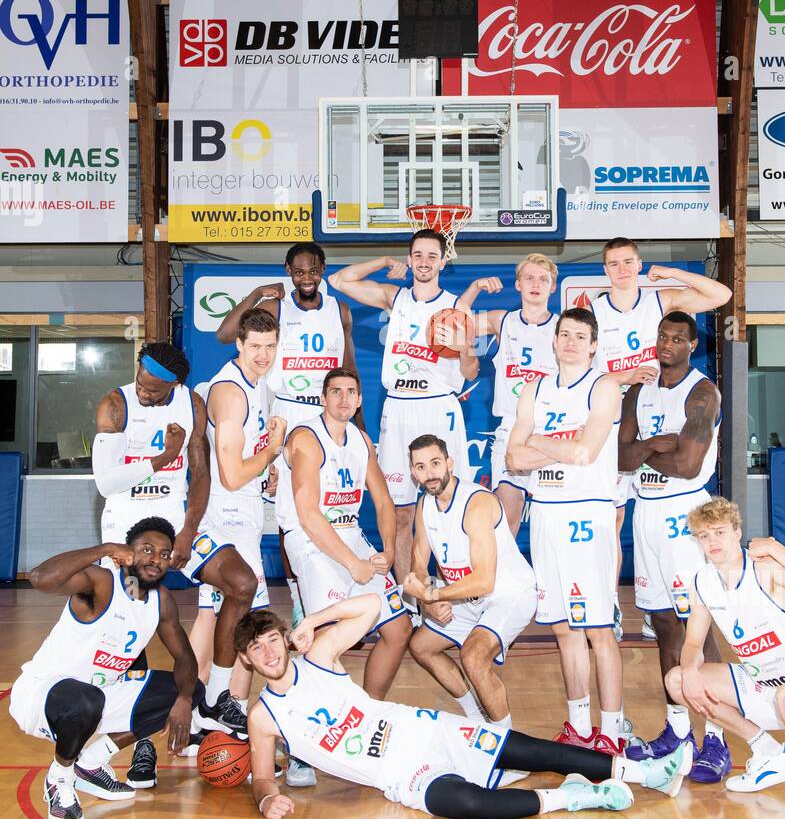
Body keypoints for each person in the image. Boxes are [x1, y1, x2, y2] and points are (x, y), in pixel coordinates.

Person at [238, 601, 694, 819]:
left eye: (272, 640)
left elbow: (371, 606)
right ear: (248, 660)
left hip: (424, 730)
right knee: (467, 806)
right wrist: (264, 799)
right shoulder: (262, 717)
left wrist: (312, 621)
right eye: (256, 649)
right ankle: (578, 798)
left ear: (283, 638)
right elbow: (262, 776)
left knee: (537, 752)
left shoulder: (318, 657)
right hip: (401, 773)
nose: (268, 652)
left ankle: (645, 773)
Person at [667, 498, 785, 815]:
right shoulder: (702, 583)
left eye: (719, 532)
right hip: (763, 686)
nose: (712, 542)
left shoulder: (766, 571)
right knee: (677, 680)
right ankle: (768, 753)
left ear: (736, 532)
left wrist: (777, 548)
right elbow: (693, 644)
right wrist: (689, 672)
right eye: (704, 535)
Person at [10, 519, 202, 819]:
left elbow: (185, 658)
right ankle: (59, 779)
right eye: (147, 549)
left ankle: (91, 764)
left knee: (183, 688)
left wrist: (185, 699)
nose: (156, 559)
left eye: (165, 554)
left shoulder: (160, 601)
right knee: (88, 698)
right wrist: (104, 549)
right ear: (126, 552)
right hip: (41, 695)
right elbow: (40, 577)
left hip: (100, 697)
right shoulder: (101, 582)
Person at [590, 237, 732, 635]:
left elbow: (721, 294)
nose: (621, 269)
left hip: (655, 412)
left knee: (667, 513)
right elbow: (581, 370)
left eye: (628, 262)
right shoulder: (594, 311)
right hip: (615, 420)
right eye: (614, 263)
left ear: (638, 265)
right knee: (613, 523)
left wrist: (671, 273)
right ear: (605, 270)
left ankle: (668, 606)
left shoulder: (661, 301)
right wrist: (623, 378)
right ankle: (613, 605)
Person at [214, 243, 361, 606]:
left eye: (313, 270)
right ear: (288, 271)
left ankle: (333, 586)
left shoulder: (339, 310)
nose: (306, 278)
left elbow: (349, 367)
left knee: (330, 503)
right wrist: (254, 294)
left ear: (324, 269)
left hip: (328, 414)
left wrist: (358, 421)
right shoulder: (275, 307)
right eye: (298, 271)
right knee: (289, 511)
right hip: (289, 411)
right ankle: (298, 598)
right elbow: (224, 334)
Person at [329, 230, 479, 584]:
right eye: (417, 255)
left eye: (431, 256)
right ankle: (410, 595)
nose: (424, 262)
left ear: (444, 261)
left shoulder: (458, 307)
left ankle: (453, 589)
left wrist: (463, 348)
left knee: (449, 505)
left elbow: (470, 372)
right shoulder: (394, 298)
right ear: (410, 260)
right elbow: (338, 279)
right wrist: (382, 262)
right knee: (400, 512)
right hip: (399, 407)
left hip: (439, 407)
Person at [507, 308, 626, 754]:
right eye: (564, 335)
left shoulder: (604, 386)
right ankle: (579, 726)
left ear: (594, 345)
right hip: (546, 513)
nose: (571, 342)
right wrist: (551, 447)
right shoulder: (533, 389)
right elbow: (511, 460)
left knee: (597, 629)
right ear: (553, 342)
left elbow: (585, 452)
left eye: (581, 335)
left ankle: (612, 731)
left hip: (586, 514)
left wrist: (536, 441)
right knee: (562, 628)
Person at [618, 313, 730, 780]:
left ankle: (719, 738)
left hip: (686, 516)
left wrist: (645, 449)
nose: (667, 344)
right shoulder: (638, 391)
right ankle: (678, 731)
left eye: (678, 339)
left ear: (691, 346)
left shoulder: (703, 393)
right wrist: (653, 444)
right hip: (646, 513)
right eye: (662, 336)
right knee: (664, 625)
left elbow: (687, 464)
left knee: (697, 626)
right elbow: (621, 457)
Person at [93, 341, 209, 785]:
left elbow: (200, 473)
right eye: (141, 378)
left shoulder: (190, 402)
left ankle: (211, 706)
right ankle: (143, 743)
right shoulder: (115, 405)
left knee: (235, 584)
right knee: (135, 632)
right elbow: (106, 481)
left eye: (154, 387)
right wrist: (161, 459)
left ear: (174, 386)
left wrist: (189, 530)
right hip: (126, 529)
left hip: (175, 522)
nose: (143, 389)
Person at [278, 366, 411, 701]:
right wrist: (354, 564)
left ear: (360, 400)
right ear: (322, 398)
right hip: (310, 541)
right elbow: (308, 515)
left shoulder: (362, 440)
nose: (343, 398)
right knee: (327, 640)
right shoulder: (306, 438)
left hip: (349, 535)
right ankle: (314, 730)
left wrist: (390, 553)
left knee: (399, 629)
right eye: (335, 391)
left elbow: (383, 501)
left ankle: (370, 710)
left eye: (351, 392)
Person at [188, 308, 287, 737]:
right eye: (256, 347)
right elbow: (229, 474)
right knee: (241, 612)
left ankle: (197, 710)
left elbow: (240, 462)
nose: (263, 355)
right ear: (239, 345)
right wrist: (273, 451)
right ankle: (218, 704)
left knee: (215, 614)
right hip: (226, 515)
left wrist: (265, 471)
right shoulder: (231, 393)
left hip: (240, 508)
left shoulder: (255, 383)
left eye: (270, 347)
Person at [406, 435, 536, 733]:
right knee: (422, 646)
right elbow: (417, 560)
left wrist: (433, 593)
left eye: (436, 463)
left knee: (474, 658)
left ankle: (508, 747)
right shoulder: (425, 505)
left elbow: (484, 580)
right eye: (421, 467)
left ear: (450, 463)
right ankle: (476, 718)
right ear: (414, 473)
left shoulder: (476, 503)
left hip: (509, 593)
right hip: (466, 597)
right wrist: (430, 601)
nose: (430, 473)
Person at [455, 253, 559, 535]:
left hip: (553, 430)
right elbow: (455, 320)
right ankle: (504, 580)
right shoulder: (503, 322)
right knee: (505, 519)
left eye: (543, 279)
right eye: (529, 278)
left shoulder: (565, 328)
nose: (535, 284)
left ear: (552, 287)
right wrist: (475, 288)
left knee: (552, 521)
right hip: (512, 428)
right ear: (518, 285)